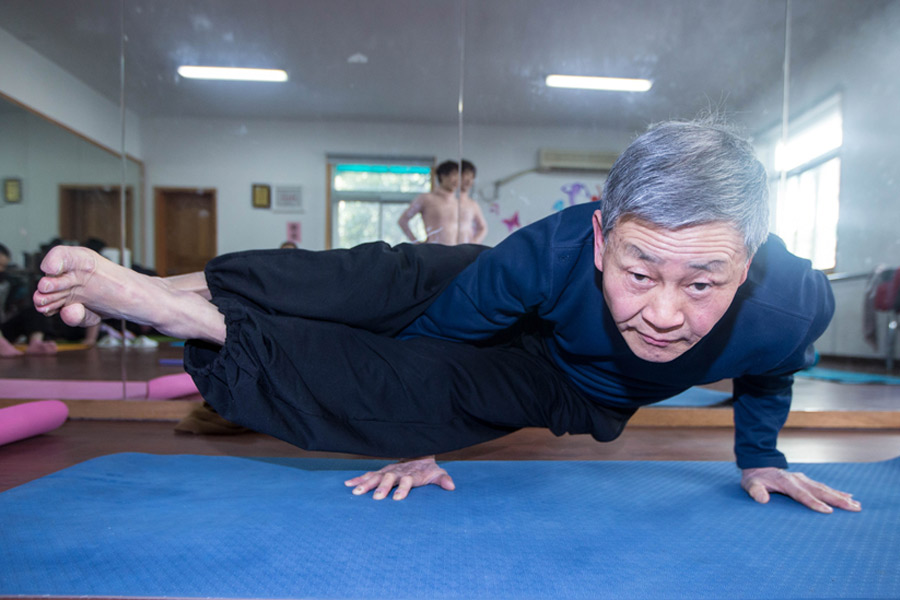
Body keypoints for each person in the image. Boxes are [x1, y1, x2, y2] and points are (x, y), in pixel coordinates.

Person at [32, 121, 859, 514]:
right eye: (640, 272)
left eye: (704, 284)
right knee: (378, 278)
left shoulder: (792, 306)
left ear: (748, 263)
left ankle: (193, 321)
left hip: (568, 383)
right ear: (603, 237)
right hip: (495, 290)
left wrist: (760, 458)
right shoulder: (551, 249)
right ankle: (170, 286)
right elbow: (440, 337)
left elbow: (771, 369)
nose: (666, 316)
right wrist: (409, 417)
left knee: (424, 387)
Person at [397, 159, 488, 245]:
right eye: (453, 175)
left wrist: (473, 244)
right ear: (442, 176)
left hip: (462, 254)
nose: (456, 180)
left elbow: (482, 228)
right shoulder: (426, 198)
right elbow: (403, 220)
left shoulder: (463, 202)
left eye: (458, 176)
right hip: (436, 252)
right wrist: (416, 243)